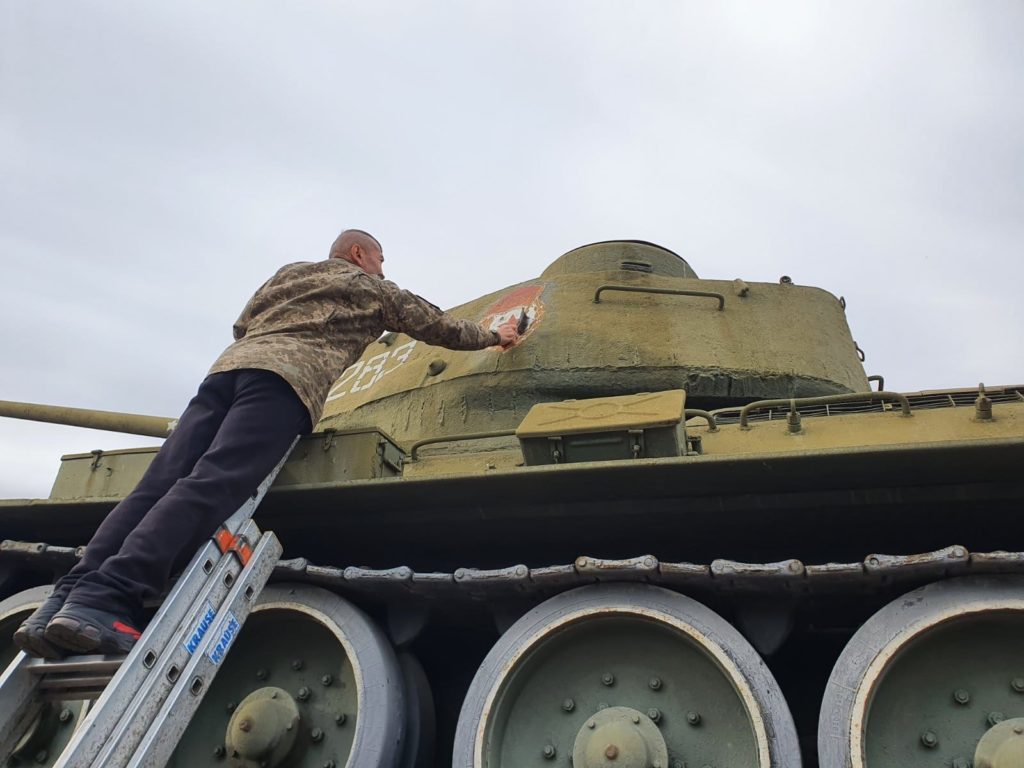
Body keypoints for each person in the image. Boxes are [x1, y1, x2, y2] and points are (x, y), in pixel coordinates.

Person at [15, 229, 519, 657]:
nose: (384, 270)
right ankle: (108, 596)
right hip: (284, 381)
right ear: (359, 255)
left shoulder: (288, 274)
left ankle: (64, 601)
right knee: (213, 485)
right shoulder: (367, 285)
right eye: (381, 260)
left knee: (156, 487)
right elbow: (436, 324)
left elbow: (243, 323)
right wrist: (496, 337)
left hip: (226, 373)